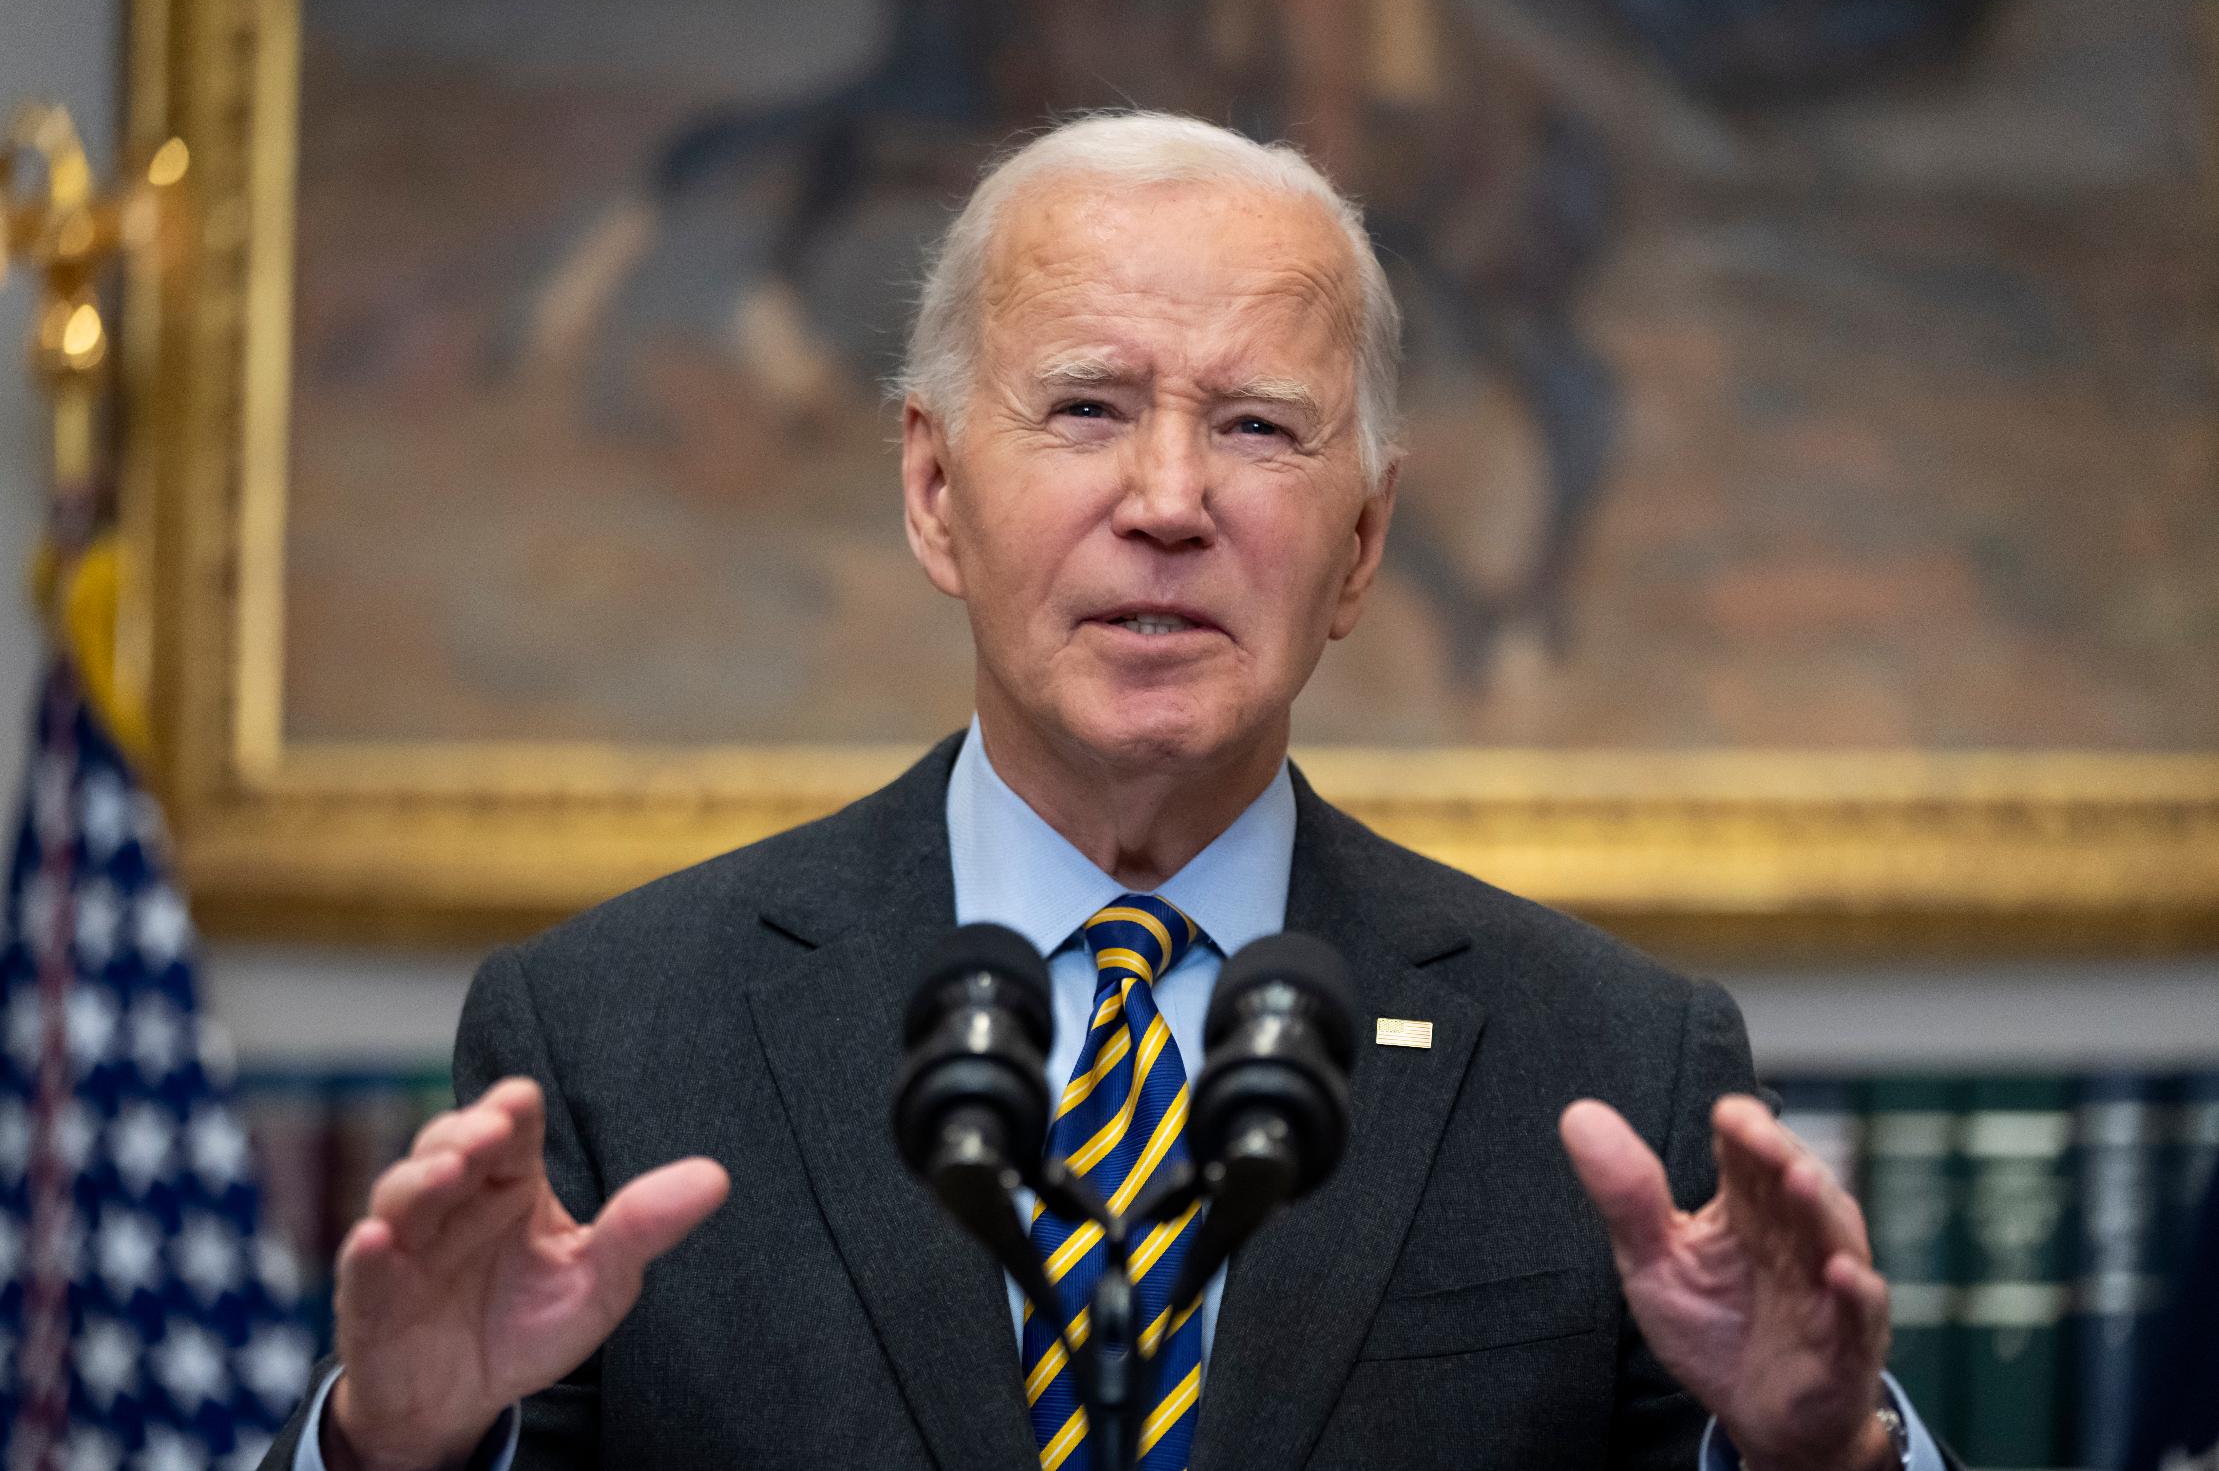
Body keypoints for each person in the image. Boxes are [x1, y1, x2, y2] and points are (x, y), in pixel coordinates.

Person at [263, 112, 1949, 1471]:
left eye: (1259, 430)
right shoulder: (612, 1036)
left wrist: (1827, 1457)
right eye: (1086, 408)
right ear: (934, 493)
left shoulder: (1613, 1060)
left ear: (1362, 545)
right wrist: (388, 1455)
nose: (1167, 501)